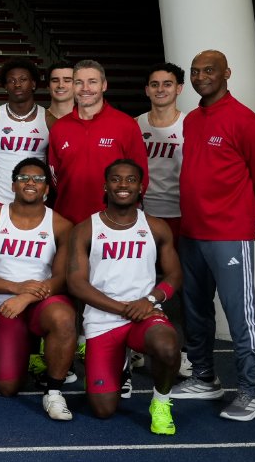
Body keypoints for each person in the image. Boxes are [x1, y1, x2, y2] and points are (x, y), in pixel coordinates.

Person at [169, 50, 255, 422]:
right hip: (192, 232)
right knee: (196, 311)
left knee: (239, 313)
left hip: (229, 233)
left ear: (226, 73)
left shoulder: (246, 121)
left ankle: (251, 391)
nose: (201, 77)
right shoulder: (194, 120)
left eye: (209, 71)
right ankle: (204, 377)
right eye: (196, 72)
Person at [67, 159, 183, 434]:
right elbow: (76, 283)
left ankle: (161, 403)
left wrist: (151, 300)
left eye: (130, 180)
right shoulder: (85, 229)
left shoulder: (155, 227)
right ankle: (119, 363)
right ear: (105, 186)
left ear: (141, 187)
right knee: (103, 410)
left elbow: (174, 275)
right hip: (103, 320)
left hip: (144, 315)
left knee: (168, 346)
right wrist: (122, 308)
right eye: (116, 179)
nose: (123, 185)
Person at [0, 157, 76, 419]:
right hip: (3, 305)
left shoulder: (61, 225)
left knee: (63, 318)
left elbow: (63, 278)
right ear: (13, 185)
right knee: (7, 387)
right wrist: (15, 288)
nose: (31, 182)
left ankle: (53, 393)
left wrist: (26, 296)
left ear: (47, 189)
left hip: (41, 301)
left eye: (39, 179)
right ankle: (26, 349)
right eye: (24, 178)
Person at [47, 60, 148, 224]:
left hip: (113, 221)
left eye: (92, 82)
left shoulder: (126, 125)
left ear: (104, 85)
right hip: (68, 221)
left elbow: (141, 176)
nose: (85, 88)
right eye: (79, 82)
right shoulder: (59, 127)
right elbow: (55, 177)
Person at [0, 57, 54, 208]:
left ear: (33, 84)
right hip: (0, 198)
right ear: (5, 86)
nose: (17, 84)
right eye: (11, 80)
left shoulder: (49, 121)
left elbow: (54, 169)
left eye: (23, 79)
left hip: (38, 199)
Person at [136, 63, 187, 238]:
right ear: (147, 90)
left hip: (181, 213)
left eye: (167, 84)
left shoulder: (190, 126)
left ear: (178, 88)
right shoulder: (134, 125)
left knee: (177, 265)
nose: (160, 89)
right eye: (154, 84)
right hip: (142, 213)